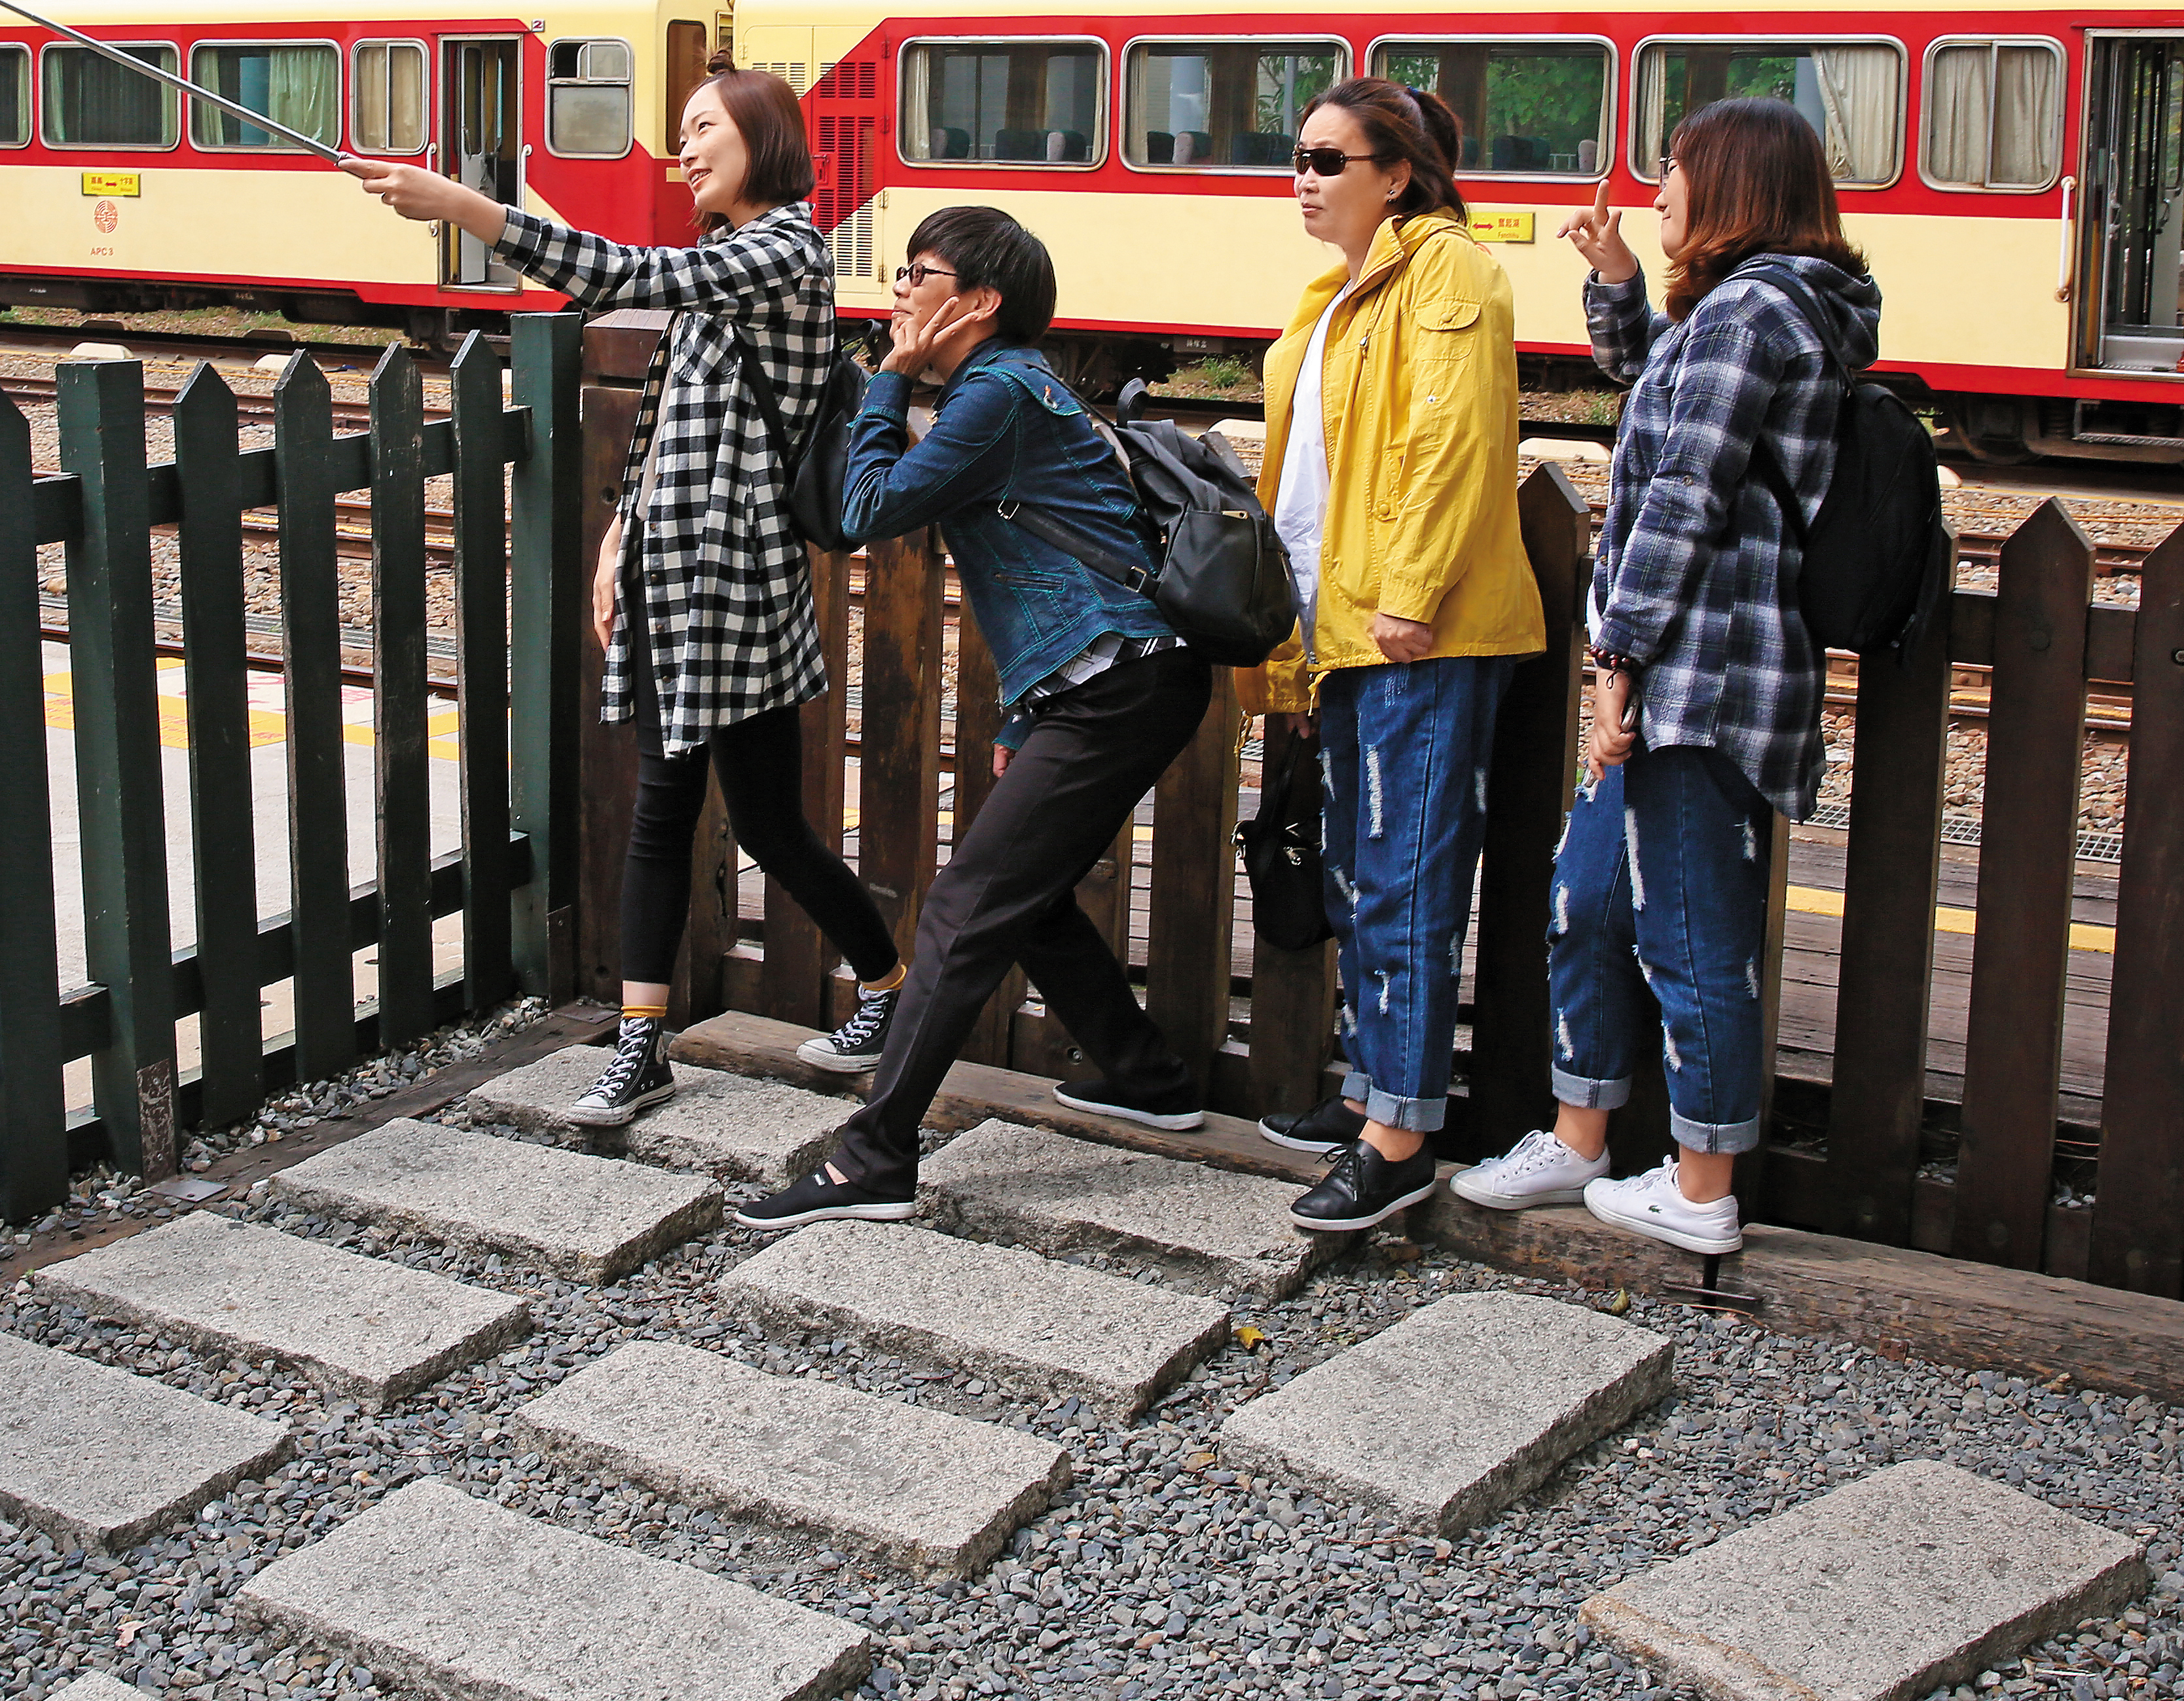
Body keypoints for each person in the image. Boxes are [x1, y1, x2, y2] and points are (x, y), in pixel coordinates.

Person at [347, 69, 907, 1123]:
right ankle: (656, 1040)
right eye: (682, 135)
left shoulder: (783, 249)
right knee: (687, 812)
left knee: (758, 824)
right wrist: (616, 540)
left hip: (736, 585)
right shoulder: (722, 262)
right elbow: (663, 429)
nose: (683, 151)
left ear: (763, 139)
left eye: (704, 130)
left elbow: (614, 275)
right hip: (673, 576)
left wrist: (473, 209)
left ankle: (881, 983)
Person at [1455, 95, 1880, 1255]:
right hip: (1686, 665)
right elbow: (1659, 398)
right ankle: (1579, 1141)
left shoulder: (1753, 312)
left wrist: (1617, 661)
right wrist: (1614, 279)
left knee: (1689, 935)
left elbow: (1683, 498)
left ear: (1734, 183)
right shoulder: (1751, 310)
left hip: (1704, 675)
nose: (1659, 183)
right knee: (1588, 903)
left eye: (1677, 167)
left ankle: (1702, 1190)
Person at [734, 205, 1212, 1228]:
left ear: (980, 301)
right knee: (1021, 894)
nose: (901, 287)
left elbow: (866, 513)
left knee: (962, 907)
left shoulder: (995, 390)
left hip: (1119, 679)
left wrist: (891, 381)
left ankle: (874, 1156)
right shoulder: (1016, 387)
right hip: (1103, 678)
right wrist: (1019, 720)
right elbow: (1044, 568)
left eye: (921, 272)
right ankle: (1147, 1078)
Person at [1245, 76, 1545, 1234]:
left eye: (1329, 161)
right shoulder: (1341, 292)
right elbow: (1317, 491)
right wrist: (1309, 656)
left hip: (1415, 632)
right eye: (1300, 157)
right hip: (1353, 634)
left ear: (1399, 173)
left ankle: (1401, 1139)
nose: (1304, 180)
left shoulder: (1448, 272)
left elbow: (1452, 440)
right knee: (1367, 879)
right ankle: (1379, 1094)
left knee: (1407, 878)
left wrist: (1410, 597)